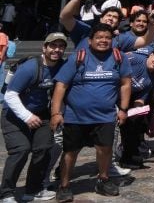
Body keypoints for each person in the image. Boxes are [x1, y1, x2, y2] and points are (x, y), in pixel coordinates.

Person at [49, 23, 131, 202]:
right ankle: (64, 185)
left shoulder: (119, 57)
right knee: (70, 151)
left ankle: (103, 179)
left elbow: (126, 84)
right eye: (99, 37)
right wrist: (56, 113)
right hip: (75, 116)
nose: (103, 40)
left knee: (105, 149)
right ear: (90, 40)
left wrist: (123, 109)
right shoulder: (78, 57)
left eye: (107, 38)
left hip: (105, 116)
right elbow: (61, 85)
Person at [1, 32, 67, 203]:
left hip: (41, 114)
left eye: (61, 46)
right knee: (21, 150)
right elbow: (10, 95)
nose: (57, 50)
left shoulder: (62, 66)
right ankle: (6, 193)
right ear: (44, 48)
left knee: (44, 148)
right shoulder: (30, 67)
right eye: (53, 45)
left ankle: (33, 189)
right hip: (14, 114)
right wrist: (27, 116)